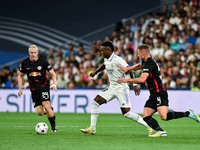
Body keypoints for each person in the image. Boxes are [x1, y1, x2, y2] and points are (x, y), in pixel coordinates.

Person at [117, 44, 200, 137]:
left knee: (164, 116)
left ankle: (188, 113)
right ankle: (161, 131)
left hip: (159, 92)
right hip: (153, 94)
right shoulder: (146, 62)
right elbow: (140, 65)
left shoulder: (149, 63)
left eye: (138, 53)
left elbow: (142, 79)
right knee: (145, 116)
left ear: (143, 52)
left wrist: (126, 80)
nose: (137, 55)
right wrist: (128, 68)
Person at [80, 41, 154, 136]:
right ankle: (92, 128)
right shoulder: (107, 59)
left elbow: (129, 70)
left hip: (121, 89)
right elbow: (104, 65)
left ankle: (149, 127)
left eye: (103, 51)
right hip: (112, 88)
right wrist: (95, 72)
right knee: (95, 102)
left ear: (109, 50)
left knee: (127, 113)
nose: (101, 52)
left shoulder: (118, 59)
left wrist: (135, 85)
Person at [18, 45, 58, 132]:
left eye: (35, 52)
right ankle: (50, 110)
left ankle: (54, 128)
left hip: (43, 86)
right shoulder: (25, 63)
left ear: (37, 52)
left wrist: (54, 84)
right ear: (29, 53)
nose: (33, 54)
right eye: (31, 53)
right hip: (33, 88)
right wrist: (20, 89)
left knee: (46, 106)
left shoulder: (43, 61)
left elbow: (53, 73)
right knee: (40, 112)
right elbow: (20, 76)